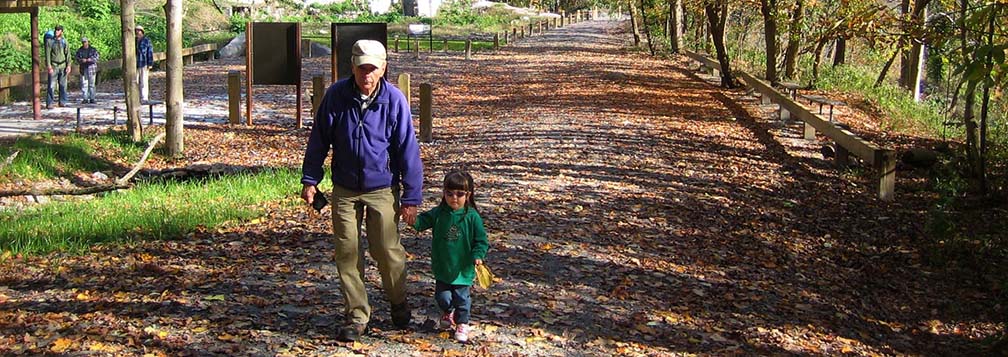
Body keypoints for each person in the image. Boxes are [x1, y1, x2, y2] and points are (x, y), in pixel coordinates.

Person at [300, 39, 423, 342]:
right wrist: (310, 179)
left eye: (372, 68)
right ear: (352, 67)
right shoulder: (336, 96)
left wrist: (410, 197)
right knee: (347, 253)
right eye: (361, 68)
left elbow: (408, 150)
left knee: (387, 252)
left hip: (382, 187)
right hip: (344, 187)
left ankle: (398, 301)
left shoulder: (394, 100)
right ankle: (357, 315)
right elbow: (319, 140)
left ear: (383, 68)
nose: (366, 75)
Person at [411, 170, 489, 343]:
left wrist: (478, 255)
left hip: (462, 268)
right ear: (444, 193)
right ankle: (448, 312)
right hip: (443, 266)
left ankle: (462, 323)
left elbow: (481, 241)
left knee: (462, 298)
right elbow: (422, 221)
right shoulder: (439, 213)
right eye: (450, 193)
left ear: (468, 195)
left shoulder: (472, 217)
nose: (454, 197)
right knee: (443, 297)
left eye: (460, 194)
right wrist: (411, 219)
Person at [44, 25, 70, 108]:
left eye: (58, 30)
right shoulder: (50, 42)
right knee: (51, 85)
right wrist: (49, 66)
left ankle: (62, 101)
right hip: (54, 65)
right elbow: (47, 54)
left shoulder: (64, 41)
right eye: (56, 30)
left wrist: (68, 65)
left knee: (63, 85)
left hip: (63, 65)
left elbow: (68, 54)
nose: (56, 31)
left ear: (61, 32)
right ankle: (50, 102)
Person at [74, 37, 100, 104]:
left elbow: (97, 57)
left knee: (92, 84)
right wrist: (82, 60)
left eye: (85, 42)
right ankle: (85, 98)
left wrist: (90, 60)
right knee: (84, 84)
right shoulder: (80, 50)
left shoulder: (93, 50)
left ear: (88, 42)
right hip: (83, 68)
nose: (84, 43)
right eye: (83, 42)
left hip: (92, 68)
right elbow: (77, 58)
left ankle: (92, 98)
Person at [135, 25, 154, 102]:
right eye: (136, 30)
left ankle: (144, 97)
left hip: (143, 62)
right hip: (134, 64)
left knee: (144, 81)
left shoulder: (146, 40)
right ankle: (135, 96)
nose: (137, 32)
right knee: (135, 81)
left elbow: (150, 52)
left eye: (139, 30)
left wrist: (150, 63)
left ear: (142, 32)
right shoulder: (133, 40)